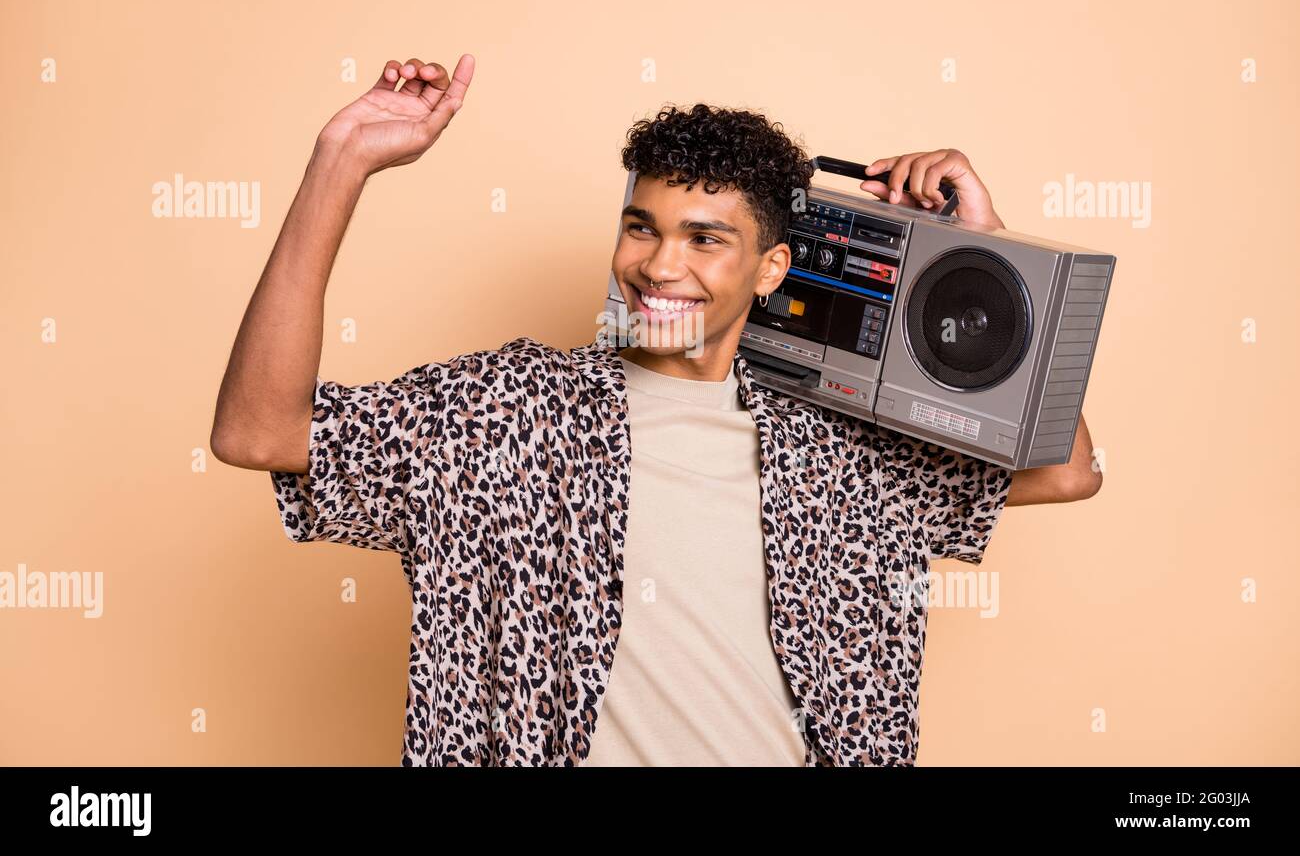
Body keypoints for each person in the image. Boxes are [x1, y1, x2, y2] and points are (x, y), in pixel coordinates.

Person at [210, 54, 1102, 766]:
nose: (658, 265)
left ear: (771, 269)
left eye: (705, 238)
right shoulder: (507, 412)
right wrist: (341, 165)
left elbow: (1064, 467)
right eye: (643, 226)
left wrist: (984, 246)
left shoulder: (838, 451)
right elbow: (260, 432)